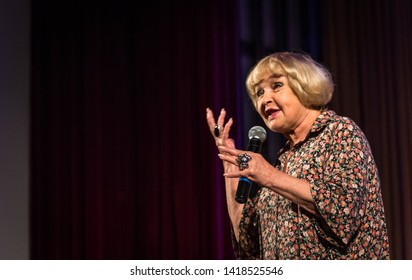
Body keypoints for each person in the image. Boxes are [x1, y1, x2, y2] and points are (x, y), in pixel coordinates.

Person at [206, 52, 390, 259]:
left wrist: (268, 175)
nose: (265, 99)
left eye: (276, 86)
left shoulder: (340, 132)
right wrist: (230, 164)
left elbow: (343, 211)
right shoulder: (285, 159)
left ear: (305, 86)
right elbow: (248, 244)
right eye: (258, 93)